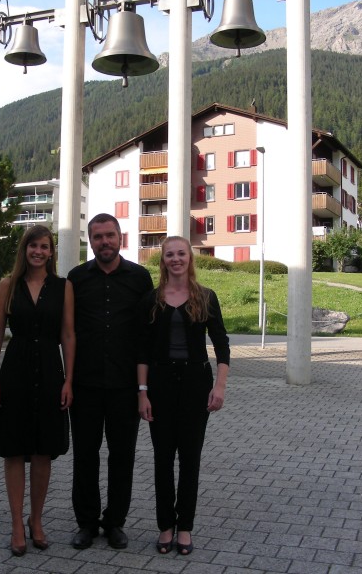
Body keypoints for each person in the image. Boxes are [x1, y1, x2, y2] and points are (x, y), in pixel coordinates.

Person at [137, 236, 230, 555]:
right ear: (162, 260)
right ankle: (165, 526)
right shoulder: (151, 299)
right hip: (160, 384)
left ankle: (185, 527)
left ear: (190, 258)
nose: (175, 259)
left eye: (181, 254)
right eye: (169, 255)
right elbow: (142, 351)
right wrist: (142, 393)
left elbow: (221, 344)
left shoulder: (206, 296)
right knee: (162, 459)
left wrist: (219, 386)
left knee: (190, 459)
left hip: (195, 383)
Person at [67, 213, 153, 550]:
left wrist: (146, 387)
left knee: (122, 457)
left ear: (120, 238)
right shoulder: (76, 278)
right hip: (85, 384)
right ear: (90, 241)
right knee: (85, 456)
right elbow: (67, 331)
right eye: (98, 236)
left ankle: (115, 522)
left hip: (125, 385)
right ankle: (86, 523)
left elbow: (147, 334)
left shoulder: (139, 278)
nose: (104, 241)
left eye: (110, 235)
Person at [0, 225, 75, 557]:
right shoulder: (7, 285)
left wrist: (69, 380)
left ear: (51, 252)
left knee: (42, 451)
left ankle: (36, 520)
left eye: (44, 246)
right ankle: (15, 524)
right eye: (33, 246)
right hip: (15, 372)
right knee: (14, 449)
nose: (38, 251)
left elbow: (68, 335)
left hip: (51, 372)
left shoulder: (63, 287)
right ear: (24, 249)